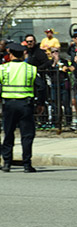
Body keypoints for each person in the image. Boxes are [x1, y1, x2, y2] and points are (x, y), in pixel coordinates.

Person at [0, 43, 46, 172]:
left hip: (9, 105)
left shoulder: (3, 68)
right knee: (27, 135)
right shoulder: (30, 69)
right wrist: (40, 104)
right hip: (26, 105)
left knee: (8, 134)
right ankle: (27, 164)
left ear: (10, 54)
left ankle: (7, 163)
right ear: (23, 55)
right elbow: (41, 86)